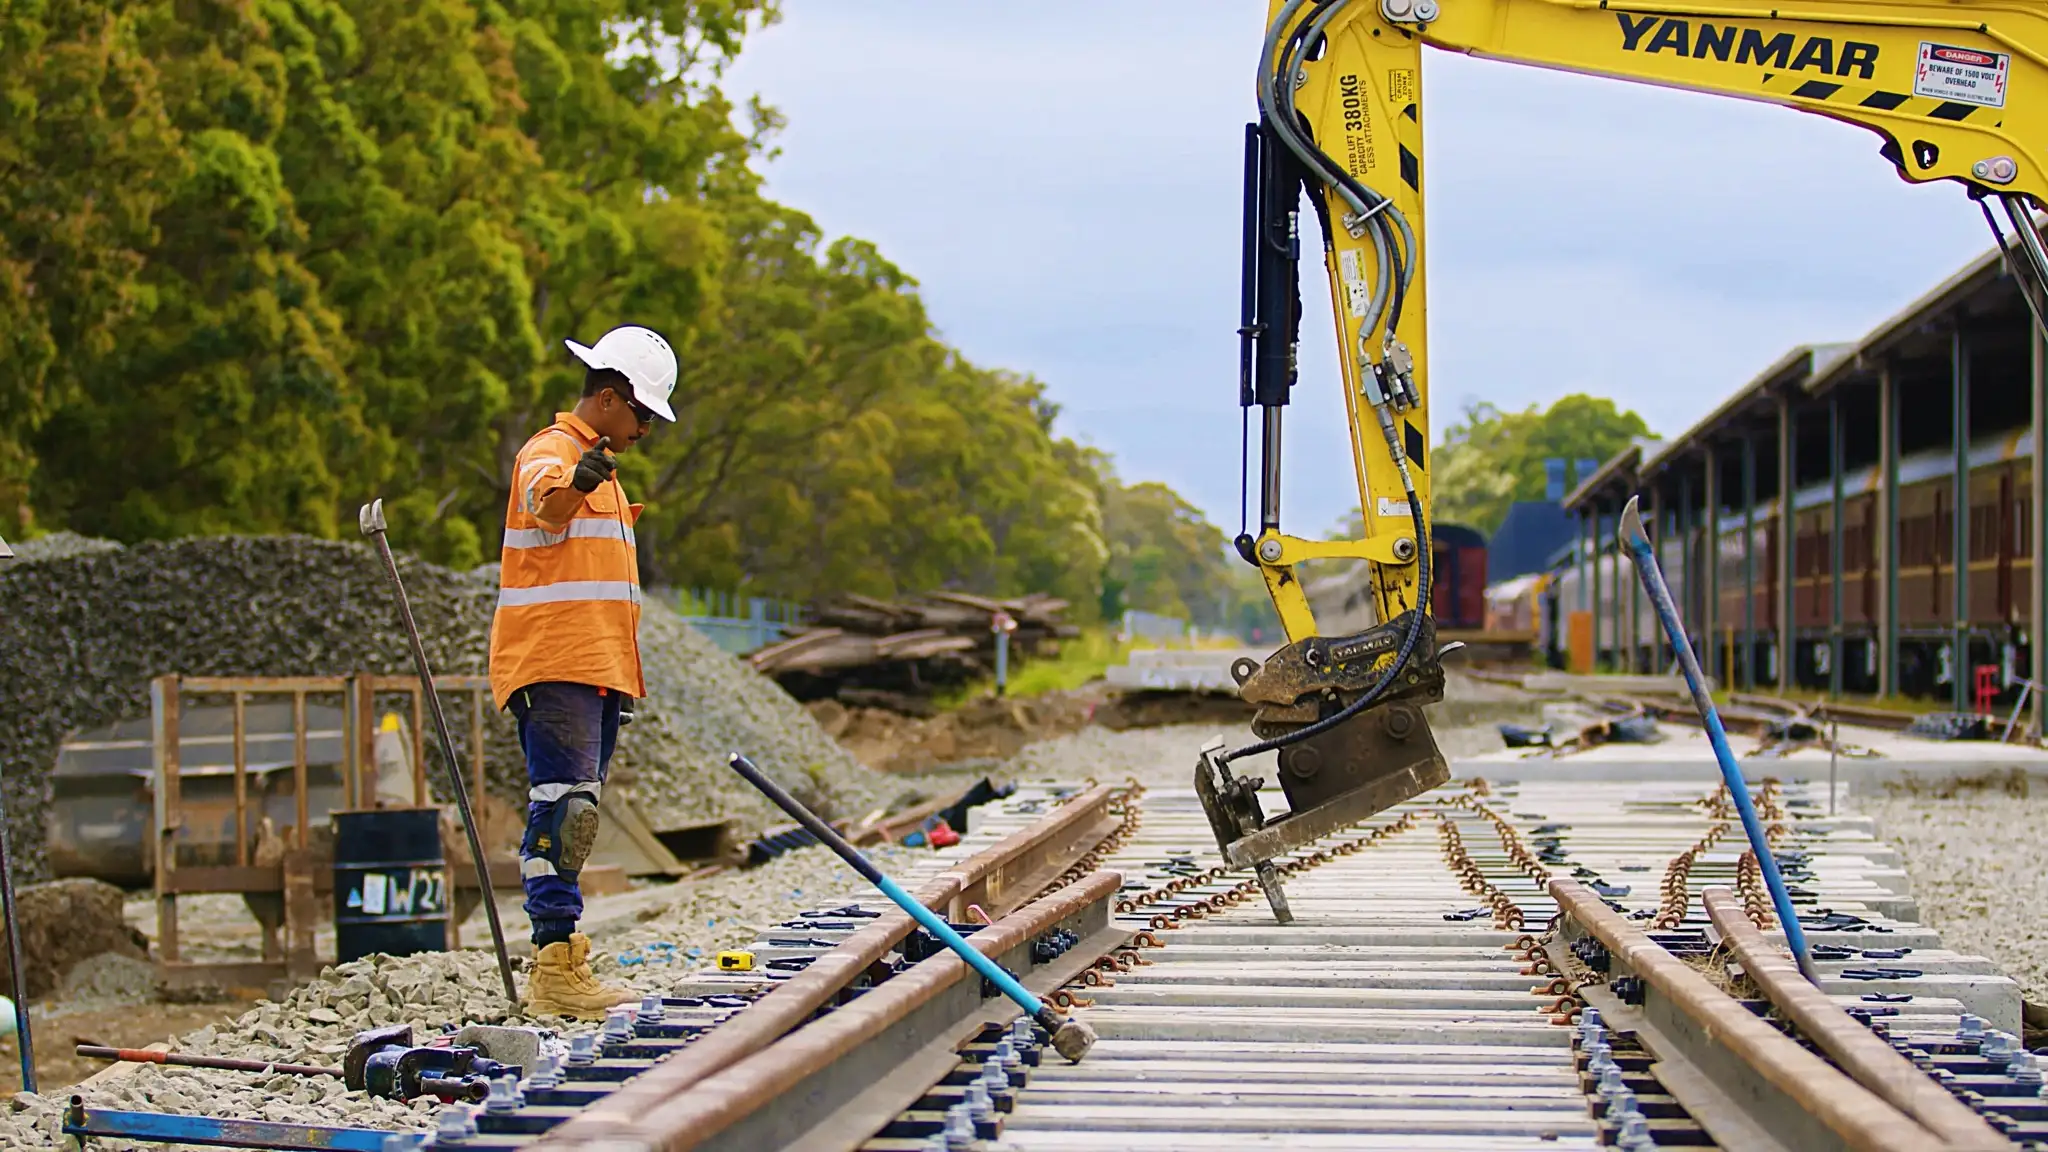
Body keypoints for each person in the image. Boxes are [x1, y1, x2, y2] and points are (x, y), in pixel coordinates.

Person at [489, 324, 677, 1019]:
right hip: (556, 661)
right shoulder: (552, 453)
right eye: (643, 415)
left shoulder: (599, 467)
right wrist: (577, 482)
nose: (645, 431)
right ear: (607, 398)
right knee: (563, 811)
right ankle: (555, 966)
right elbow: (546, 502)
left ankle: (563, 962)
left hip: (597, 669)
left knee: (578, 814)